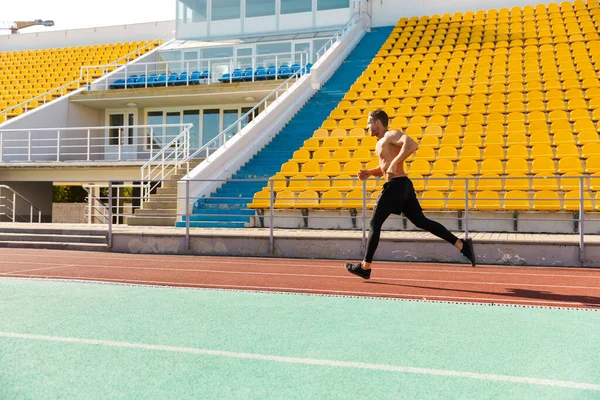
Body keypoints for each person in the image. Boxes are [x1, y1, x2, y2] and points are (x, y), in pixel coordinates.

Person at [345, 109, 476, 279]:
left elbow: (412, 144)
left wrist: (396, 162)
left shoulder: (391, 134)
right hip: (402, 185)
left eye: (369, 122)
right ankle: (462, 245)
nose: (367, 126)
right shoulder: (379, 143)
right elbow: (385, 168)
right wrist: (370, 172)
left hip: (396, 185)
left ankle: (365, 267)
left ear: (378, 123)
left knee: (375, 222)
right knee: (422, 222)